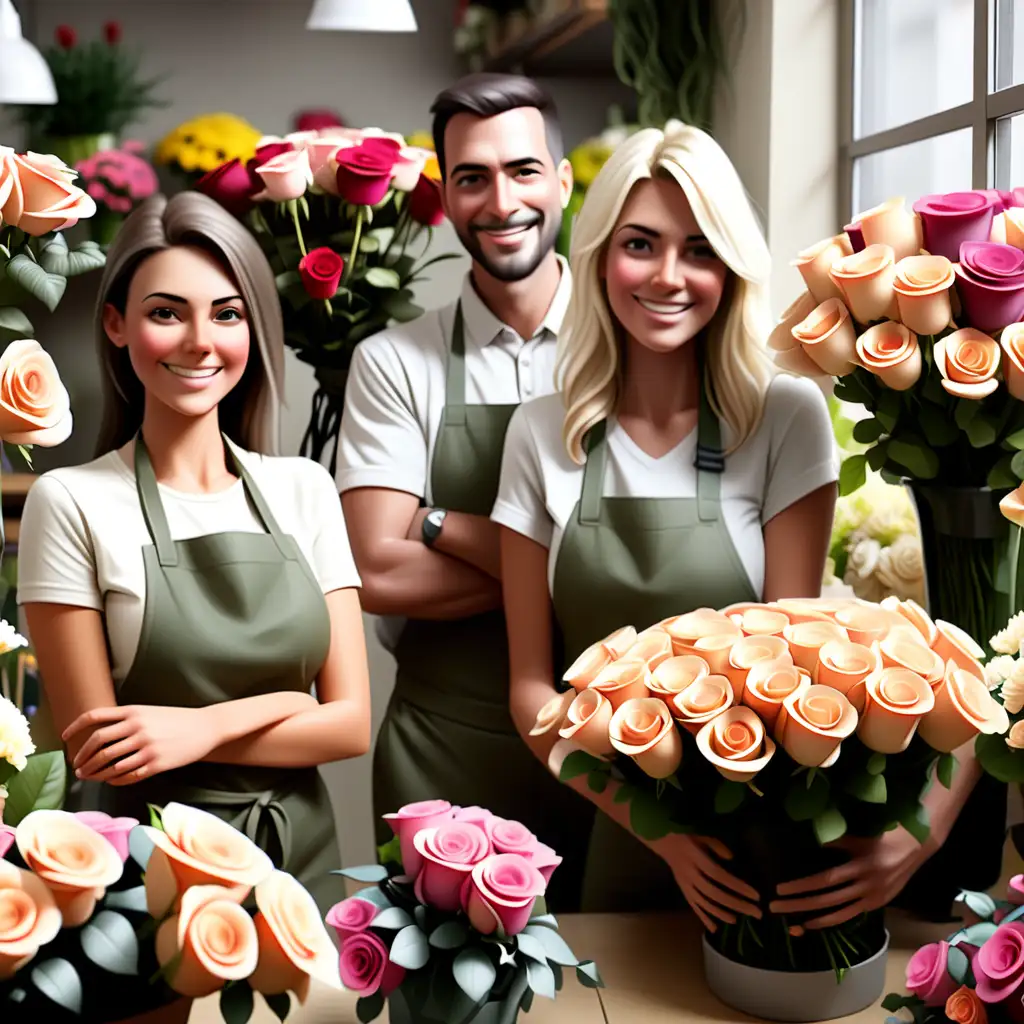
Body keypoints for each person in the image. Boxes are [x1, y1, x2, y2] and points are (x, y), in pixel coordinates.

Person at [492, 120, 839, 916]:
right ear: (600, 256)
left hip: (760, 821)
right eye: (641, 245)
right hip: (606, 819)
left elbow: (794, 662)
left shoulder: (785, 417)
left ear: (730, 267)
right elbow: (531, 690)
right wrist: (657, 831)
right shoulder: (541, 434)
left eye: (699, 249)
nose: (668, 277)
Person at [17, 192, 372, 924]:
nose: (200, 341)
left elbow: (350, 727)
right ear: (116, 324)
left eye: (227, 313)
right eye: (166, 312)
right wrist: (286, 706)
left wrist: (201, 727)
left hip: (301, 858)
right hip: (150, 864)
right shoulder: (71, 500)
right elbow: (100, 751)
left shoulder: (303, 489)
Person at [337, 72, 594, 910]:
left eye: (523, 170)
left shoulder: (633, 343)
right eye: (472, 178)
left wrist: (439, 523)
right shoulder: (394, 362)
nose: (501, 199)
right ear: (445, 197)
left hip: (618, 744)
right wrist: (573, 568)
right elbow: (377, 570)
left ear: (562, 182)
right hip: (445, 752)